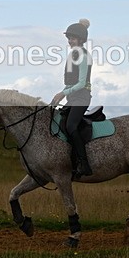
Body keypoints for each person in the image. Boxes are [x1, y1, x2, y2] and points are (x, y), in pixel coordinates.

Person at [51, 19, 93, 177]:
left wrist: (63, 93)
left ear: (81, 40)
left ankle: (84, 164)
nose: (70, 41)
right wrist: (59, 96)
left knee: (71, 126)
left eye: (73, 38)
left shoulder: (83, 56)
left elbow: (82, 83)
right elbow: (70, 83)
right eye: (68, 38)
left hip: (82, 98)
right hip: (72, 98)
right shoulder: (73, 55)